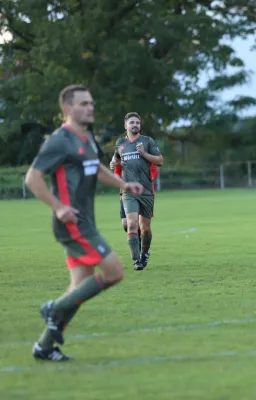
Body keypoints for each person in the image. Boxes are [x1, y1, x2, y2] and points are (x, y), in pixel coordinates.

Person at [25, 84, 143, 361]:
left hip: (83, 220)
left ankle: (44, 347)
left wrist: (124, 184)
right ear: (68, 109)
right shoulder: (59, 140)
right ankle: (54, 308)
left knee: (79, 287)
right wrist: (58, 208)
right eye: (83, 104)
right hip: (72, 222)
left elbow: (97, 169)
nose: (90, 107)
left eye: (91, 102)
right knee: (114, 271)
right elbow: (33, 178)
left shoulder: (87, 136)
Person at [112, 112, 163, 270]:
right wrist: (113, 164)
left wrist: (144, 153)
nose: (135, 125)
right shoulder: (120, 143)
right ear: (125, 125)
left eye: (137, 123)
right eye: (132, 122)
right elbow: (116, 160)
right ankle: (136, 260)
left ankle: (144, 254)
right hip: (128, 191)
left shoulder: (147, 141)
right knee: (131, 223)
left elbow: (160, 161)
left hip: (146, 191)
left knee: (145, 228)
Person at [112, 157, 159, 238]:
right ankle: (138, 245)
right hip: (126, 192)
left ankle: (142, 248)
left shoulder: (144, 152)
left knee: (143, 226)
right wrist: (121, 182)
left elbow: (154, 170)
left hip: (144, 193)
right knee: (126, 224)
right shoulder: (123, 151)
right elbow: (117, 171)